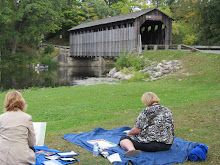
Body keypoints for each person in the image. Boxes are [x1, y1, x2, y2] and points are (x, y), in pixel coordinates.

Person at [119, 92, 174, 157]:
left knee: (124, 138)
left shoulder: (146, 112)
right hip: (167, 144)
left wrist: (128, 133)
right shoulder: (167, 110)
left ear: (145, 101)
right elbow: (172, 126)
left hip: (151, 144)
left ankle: (131, 150)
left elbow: (136, 130)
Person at [0, 91, 36, 165]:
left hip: (3, 159)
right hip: (22, 158)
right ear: (22, 102)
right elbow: (32, 142)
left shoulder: (1, 118)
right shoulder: (27, 117)